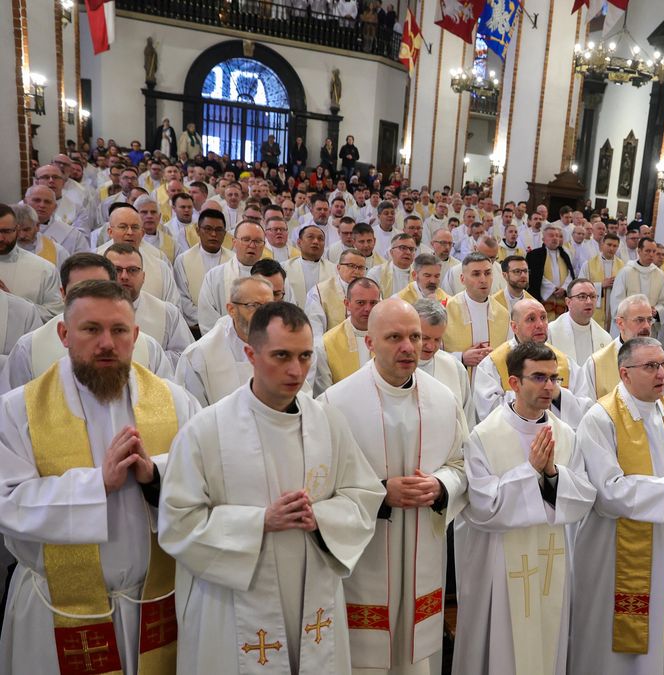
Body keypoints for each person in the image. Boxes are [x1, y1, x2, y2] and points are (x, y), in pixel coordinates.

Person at [159, 301, 386, 674]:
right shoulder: (206, 430)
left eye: (304, 356)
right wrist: (260, 521)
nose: (296, 370)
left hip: (312, 595)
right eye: (281, 355)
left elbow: (362, 496)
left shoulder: (328, 421)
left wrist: (322, 517)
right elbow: (178, 523)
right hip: (234, 606)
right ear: (250, 353)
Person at [0, 279, 199, 674]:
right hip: (56, 611)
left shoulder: (174, 401)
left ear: (136, 335)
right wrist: (97, 484)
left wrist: (154, 475)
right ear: (64, 334)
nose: (106, 342)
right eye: (91, 329)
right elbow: (7, 502)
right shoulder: (18, 411)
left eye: (119, 330)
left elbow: (205, 482)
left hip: (155, 606)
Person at [320, 297, 468, 675]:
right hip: (366, 556)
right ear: (369, 343)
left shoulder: (443, 399)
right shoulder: (335, 404)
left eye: (415, 336)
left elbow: (463, 465)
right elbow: (320, 485)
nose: (408, 347)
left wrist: (439, 485)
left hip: (424, 550)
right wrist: (381, 493)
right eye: (394, 337)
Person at [453, 342, 597, 675]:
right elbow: (480, 507)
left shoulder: (565, 434)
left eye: (554, 378)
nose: (549, 387)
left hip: (550, 561)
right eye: (539, 378)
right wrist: (529, 471)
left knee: (546, 639)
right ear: (514, 383)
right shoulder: (484, 436)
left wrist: (552, 475)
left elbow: (583, 497)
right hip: (498, 564)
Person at [571, 337, 664, 674]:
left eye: (663, 364)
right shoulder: (600, 418)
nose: (661, 373)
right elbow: (606, 492)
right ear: (625, 373)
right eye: (650, 366)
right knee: (610, 639)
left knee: (657, 625)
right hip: (613, 547)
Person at [1, 253, 174, 395]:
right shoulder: (29, 349)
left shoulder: (149, 348)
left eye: (100, 288)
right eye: (80, 291)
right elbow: (12, 418)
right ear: (63, 293)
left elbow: (166, 404)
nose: (92, 300)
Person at [472, 299, 585, 426]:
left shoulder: (565, 363)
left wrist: (558, 395)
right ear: (514, 327)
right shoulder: (493, 364)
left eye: (543, 317)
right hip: (513, 439)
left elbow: (584, 409)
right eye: (531, 319)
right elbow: (488, 412)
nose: (540, 325)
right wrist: (533, 392)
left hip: (556, 439)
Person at [175, 276, 282, 406]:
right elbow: (192, 413)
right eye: (254, 306)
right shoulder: (198, 356)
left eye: (269, 307)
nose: (263, 315)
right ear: (231, 309)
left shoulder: (284, 347)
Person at [578, 294, 664, 405]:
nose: (647, 326)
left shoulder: (661, 362)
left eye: (649, 320)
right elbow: (585, 407)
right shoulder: (596, 364)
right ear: (620, 323)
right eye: (639, 320)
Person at [105, 243, 194, 365]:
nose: (124, 276)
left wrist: (148, 357)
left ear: (143, 277)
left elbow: (186, 358)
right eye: (117, 270)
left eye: (132, 270)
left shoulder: (168, 313)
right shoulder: (87, 313)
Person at [313, 277, 383, 395]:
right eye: (361, 303)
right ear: (347, 303)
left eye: (373, 303)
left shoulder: (391, 337)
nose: (368, 309)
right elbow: (324, 394)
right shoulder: (326, 344)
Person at [197, 220, 267, 333]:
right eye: (246, 239)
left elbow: (285, 312)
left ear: (264, 245)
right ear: (234, 242)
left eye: (258, 241)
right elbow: (207, 319)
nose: (252, 245)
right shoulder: (214, 276)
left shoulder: (274, 277)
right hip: (225, 345)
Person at [0, 203, 63, 321]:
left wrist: (14, 303)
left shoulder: (44, 269)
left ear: (17, 230)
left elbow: (55, 314)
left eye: (6, 231)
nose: (0, 238)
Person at [413, 298, 474, 417]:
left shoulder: (455, 368)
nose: (431, 346)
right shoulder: (397, 366)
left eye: (437, 339)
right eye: (424, 338)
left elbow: (467, 416)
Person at [609, 238, 664, 338]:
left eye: (654, 251)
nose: (651, 254)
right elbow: (617, 302)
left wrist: (656, 311)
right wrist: (634, 313)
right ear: (639, 251)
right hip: (628, 328)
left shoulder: (659, 275)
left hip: (648, 328)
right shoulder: (626, 272)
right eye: (647, 251)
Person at [546, 278, 612, 366]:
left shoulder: (605, 338)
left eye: (593, 296)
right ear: (568, 302)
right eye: (582, 297)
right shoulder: (551, 332)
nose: (589, 301)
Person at [526, 222, 575, 321]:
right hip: (544, 297)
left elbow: (570, 274)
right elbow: (536, 276)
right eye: (551, 236)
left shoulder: (565, 254)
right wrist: (552, 288)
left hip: (561, 296)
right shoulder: (534, 255)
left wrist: (564, 288)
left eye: (557, 236)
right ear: (543, 239)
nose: (555, 238)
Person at [580, 233, 624, 331]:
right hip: (595, 310)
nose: (612, 248)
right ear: (602, 244)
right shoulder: (588, 264)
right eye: (609, 245)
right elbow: (580, 287)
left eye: (615, 246)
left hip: (613, 309)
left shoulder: (623, 266)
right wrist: (601, 285)